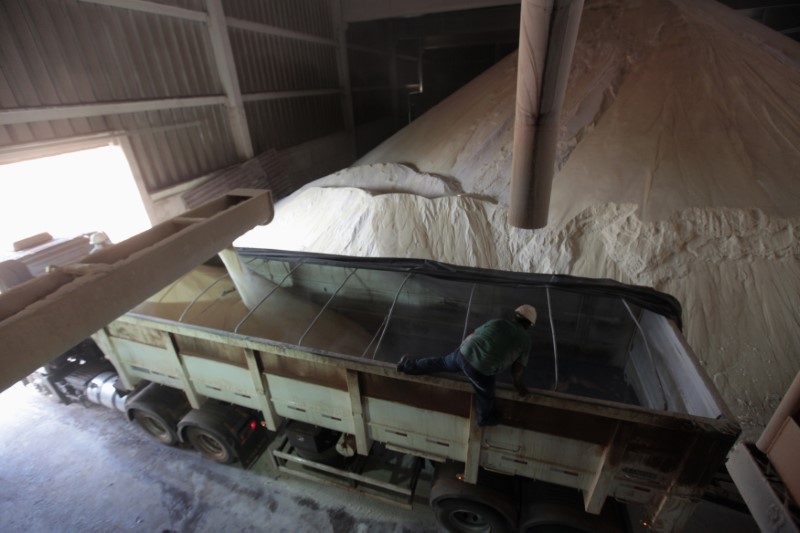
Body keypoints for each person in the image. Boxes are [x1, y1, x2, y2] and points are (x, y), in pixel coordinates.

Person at [396, 304, 537, 427]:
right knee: (486, 394)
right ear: (529, 324)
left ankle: (406, 366)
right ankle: (483, 419)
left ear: (515, 315)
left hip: (463, 354)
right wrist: (519, 387)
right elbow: (517, 369)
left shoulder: (498, 322)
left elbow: (472, 335)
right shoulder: (526, 341)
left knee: (441, 362)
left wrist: (462, 351)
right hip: (480, 370)